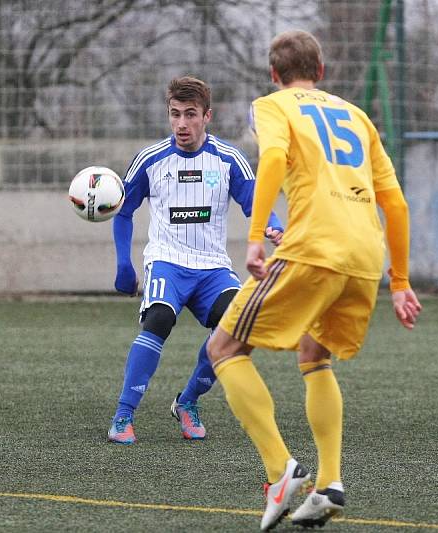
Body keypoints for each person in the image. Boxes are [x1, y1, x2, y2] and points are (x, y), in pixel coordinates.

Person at [205, 30, 422, 530]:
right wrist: (402, 280)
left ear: (274, 75)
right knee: (314, 354)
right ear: (321, 72)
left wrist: (256, 235)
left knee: (224, 349)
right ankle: (329, 483)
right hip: (366, 256)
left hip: (314, 246)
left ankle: (280, 470)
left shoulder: (273, 104)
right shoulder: (358, 116)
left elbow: (275, 157)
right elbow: (396, 201)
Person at [108, 76, 284, 444]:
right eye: (175, 114)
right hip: (167, 261)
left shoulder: (228, 158)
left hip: (213, 267)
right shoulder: (152, 159)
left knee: (236, 329)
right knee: (158, 318)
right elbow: (124, 211)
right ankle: (123, 415)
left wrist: (273, 226)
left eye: (190, 114)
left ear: (208, 116)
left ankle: (187, 402)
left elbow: (255, 199)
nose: (181, 124)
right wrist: (124, 264)